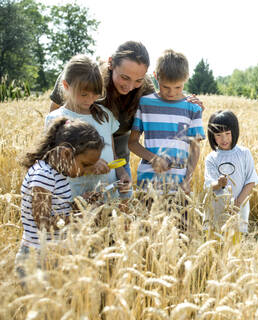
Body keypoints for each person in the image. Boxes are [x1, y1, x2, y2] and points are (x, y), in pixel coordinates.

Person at [49, 41, 155, 178]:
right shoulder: (89, 77)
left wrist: (187, 102)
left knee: (119, 191)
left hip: (119, 150)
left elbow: (165, 107)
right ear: (111, 63)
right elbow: (55, 110)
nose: (130, 87)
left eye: (138, 80)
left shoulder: (146, 89)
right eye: (124, 78)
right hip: (80, 148)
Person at [16, 117, 104, 280]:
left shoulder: (56, 174)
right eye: (85, 164)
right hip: (36, 259)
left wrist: (80, 204)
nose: (86, 171)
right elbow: (43, 222)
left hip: (52, 254)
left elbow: (57, 211)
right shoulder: (43, 176)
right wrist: (80, 216)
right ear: (65, 153)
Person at [46, 55, 131, 199]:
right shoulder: (56, 119)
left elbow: (113, 154)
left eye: (95, 94)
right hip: (76, 196)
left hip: (108, 195)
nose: (90, 99)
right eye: (84, 94)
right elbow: (55, 164)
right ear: (66, 86)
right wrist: (89, 167)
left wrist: (122, 173)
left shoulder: (104, 116)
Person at [128, 49, 205, 194]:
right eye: (165, 87)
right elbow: (132, 143)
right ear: (156, 77)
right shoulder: (145, 104)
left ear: (186, 78)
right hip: (148, 183)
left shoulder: (193, 108)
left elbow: (195, 148)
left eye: (178, 87)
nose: (171, 92)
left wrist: (187, 179)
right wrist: (153, 159)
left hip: (179, 185)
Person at [204, 110, 258, 234]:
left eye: (228, 133)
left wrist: (237, 204)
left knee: (236, 243)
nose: (224, 139)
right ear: (212, 135)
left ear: (234, 132)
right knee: (217, 241)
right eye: (218, 135)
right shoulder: (211, 158)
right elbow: (209, 185)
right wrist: (219, 184)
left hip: (239, 208)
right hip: (217, 209)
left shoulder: (244, 153)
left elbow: (251, 181)